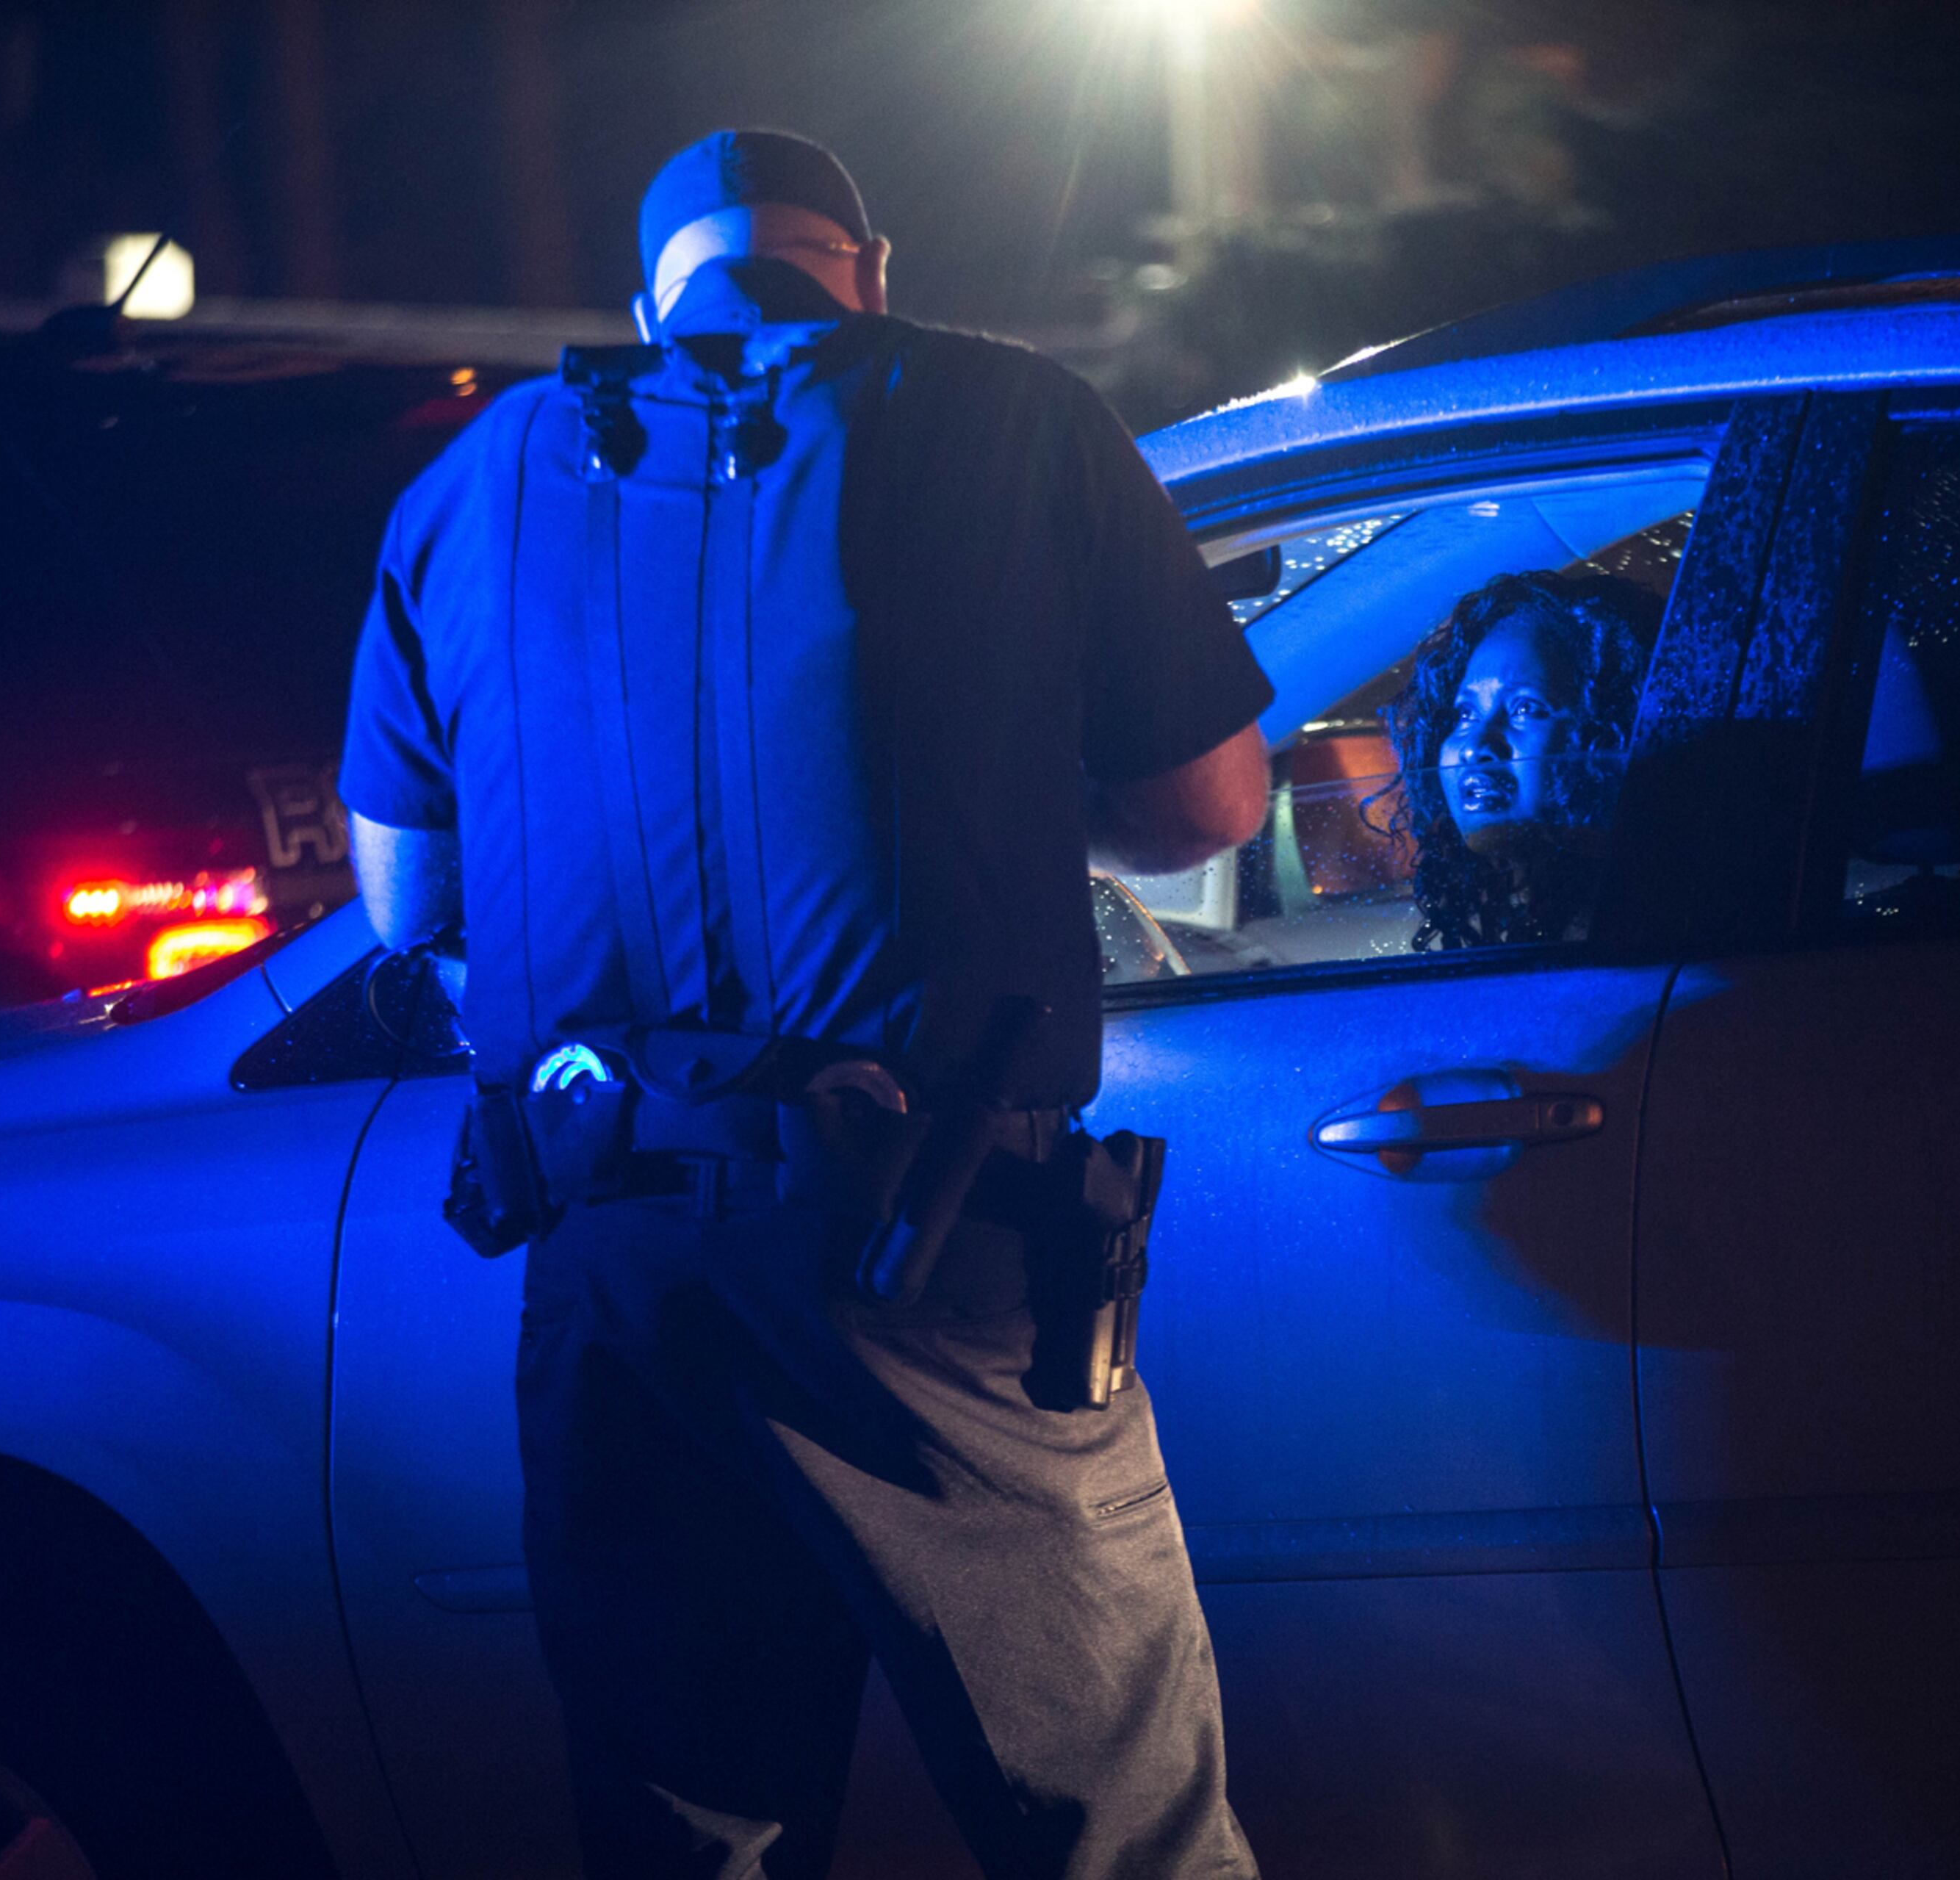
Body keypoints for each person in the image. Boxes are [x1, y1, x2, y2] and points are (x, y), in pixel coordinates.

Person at [340, 129, 1272, 1880]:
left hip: (612, 1256)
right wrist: (974, 795)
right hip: (923, 1245)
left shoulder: (476, 478)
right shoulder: (1015, 421)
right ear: (874, 266)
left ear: (650, 302)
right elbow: (1214, 807)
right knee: (1119, 1835)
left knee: (686, 1830)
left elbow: (407, 902)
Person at [1374, 568, 1654, 949]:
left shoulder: (1643, 938)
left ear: (1608, 732)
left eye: (1526, 709)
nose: (1475, 746)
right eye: (1465, 715)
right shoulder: (1542, 928)